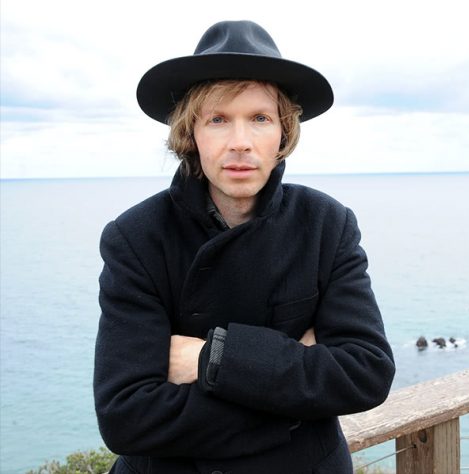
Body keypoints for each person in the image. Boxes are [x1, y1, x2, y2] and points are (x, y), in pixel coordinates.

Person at [93, 20, 396, 474]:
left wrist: (210, 357)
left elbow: (365, 373)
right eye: (218, 119)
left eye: (259, 118)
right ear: (190, 134)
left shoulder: (326, 224)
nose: (240, 143)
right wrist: (294, 401)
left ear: (282, 132)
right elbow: (126, 419)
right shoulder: (136, 238)